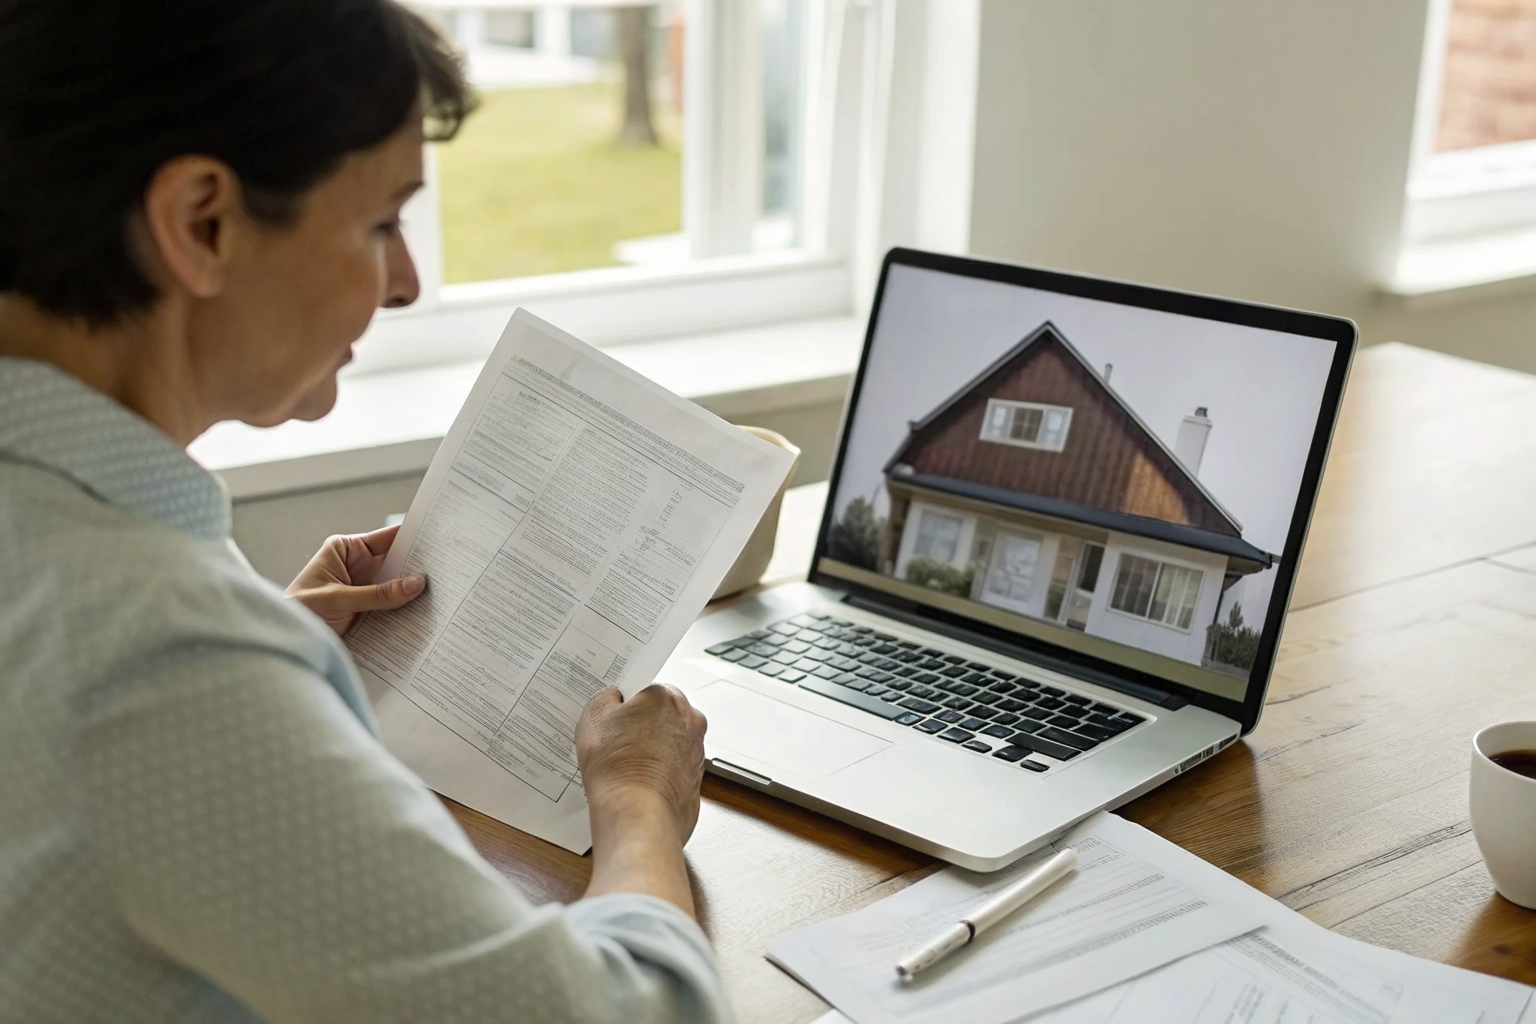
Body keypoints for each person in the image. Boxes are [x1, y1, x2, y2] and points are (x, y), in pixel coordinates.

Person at [0, 1, 730, 1021]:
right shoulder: (160, 651)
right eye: (383, 222)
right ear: (203, 222)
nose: (406, 282)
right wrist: (638, 799)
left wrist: (270, 651)